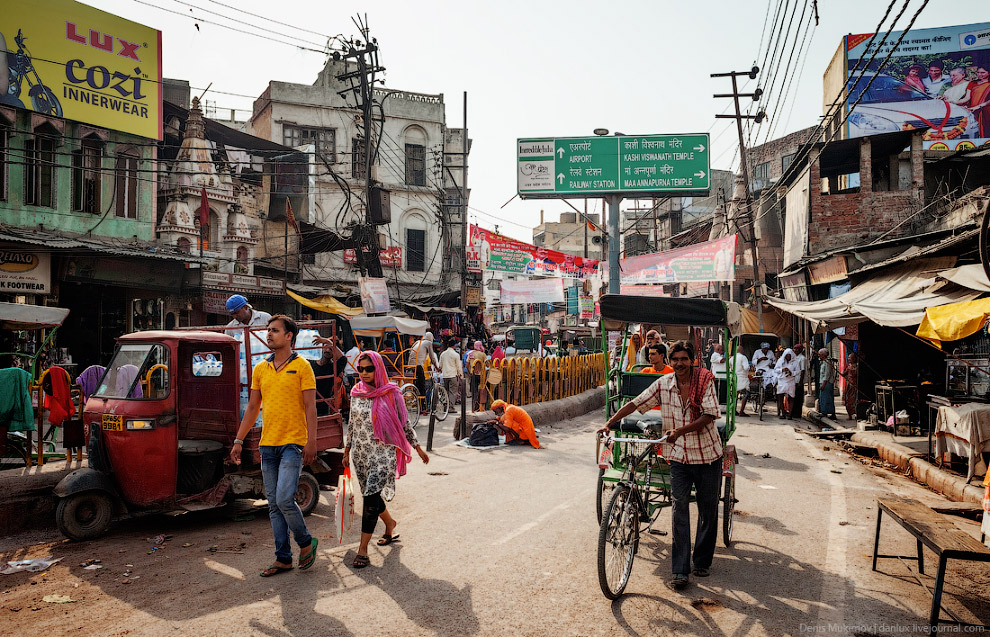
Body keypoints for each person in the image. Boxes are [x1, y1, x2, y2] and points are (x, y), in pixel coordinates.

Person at [598, 341, 722, 591]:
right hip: (677, 456)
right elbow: (636, 403)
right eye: (675, 359)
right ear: (670, 360)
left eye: (684, 359)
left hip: (707, 454)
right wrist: (610, 423)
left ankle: (701, 560)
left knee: (708, 509)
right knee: (679, 510)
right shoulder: (664, 384)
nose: (679, 363)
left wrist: (680, 431)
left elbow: (709, 415)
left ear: (692, 360)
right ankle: (679, 570)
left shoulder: (705, 379)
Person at [230, 315, 319, 577]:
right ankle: (282, 558)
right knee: (273, 505)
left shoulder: (302, 367)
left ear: (289, 336)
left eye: (275, 331)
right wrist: (238, 440)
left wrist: (311, 441)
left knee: (283, 499)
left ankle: (305, 542)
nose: (269, 335)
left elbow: (310, 407)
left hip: (292, 444)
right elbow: (253, 408)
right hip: (267, 445)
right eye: (268, 331)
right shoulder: (261, 369)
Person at [345, 350, 429, 568]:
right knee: (371, 496)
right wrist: (346, 450)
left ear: (378, 369)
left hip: (383, 454)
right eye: (360, 369)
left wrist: (417, 448)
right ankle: (390, 523)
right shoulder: (355, 392)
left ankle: (362, 550)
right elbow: (352, 425)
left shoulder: (392, 393)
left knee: (370, 498)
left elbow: (404, 423)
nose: (363, 373)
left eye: (369, 369)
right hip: (361, 455)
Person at [774, 349, 798, 421]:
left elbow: (798, 371)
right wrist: (782, 370)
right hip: (782, 381)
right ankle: (783, 413)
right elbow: (775, 370)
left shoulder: (795, 362)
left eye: (789, 356)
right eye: (787, 356)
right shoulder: (780, 361)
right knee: (780, 397)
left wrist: (791, 373)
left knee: (791, 398)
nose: (788, 357)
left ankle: (790, 414)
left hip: (790, 381)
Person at [968, 66, 990, 137]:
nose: (980, 74)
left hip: (986, 111)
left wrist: (978, 106)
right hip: (973, 110)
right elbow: (967, 98)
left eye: (983, 72)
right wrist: (953, 101)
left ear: (988, 73)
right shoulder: (972, 83)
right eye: (978, 72)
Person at [731, 349, 753, 416]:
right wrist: (750, 367)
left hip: (734, 378)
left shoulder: (732, 358)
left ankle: (734, 410)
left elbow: (730, 367)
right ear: (742, 351)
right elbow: (746, 368)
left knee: (735, 395)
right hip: (742, 378)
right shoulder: (743, 357)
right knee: (746, 393)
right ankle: (741, 411)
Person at [818, 348, 838, 419]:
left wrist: (823, 384)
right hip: (823, 382)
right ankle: (824, 412)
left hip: (827, 383)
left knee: (827, 398)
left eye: (820, 354)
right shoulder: (823, 362)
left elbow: (827, 374)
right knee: (823, 398)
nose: (819, 356)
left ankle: (829, 412)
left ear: (823, 355)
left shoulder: (827, 362)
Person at [467, 341, 487, 411]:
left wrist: (470, 373)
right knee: (482, 390)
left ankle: (474, 406)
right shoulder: (483, 354)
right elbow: (487, 365)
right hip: (481, 375)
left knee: (474, 392)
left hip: (473, 375)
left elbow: (467, 365)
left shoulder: (470, 354)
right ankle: (481, 406)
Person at [842, 351, 859, 421]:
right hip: (848, 385)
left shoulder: (857, 366)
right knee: (847, 400)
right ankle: (849, 415)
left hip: (854, 385)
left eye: (850, 358)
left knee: (854, 400)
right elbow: (843, 374)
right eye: (848, 357)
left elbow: (856, 374)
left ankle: (856, 414)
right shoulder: (848, 365)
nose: (849, 359)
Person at [791, 344, 807, 419]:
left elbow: (802, 370)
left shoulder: (802, 358)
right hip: (793, 380)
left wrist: (801, 381)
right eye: (794, 349)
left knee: (798, 398)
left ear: (800, 350)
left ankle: (797, 413)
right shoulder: (794, 357)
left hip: (798, 380)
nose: (795, 350)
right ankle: (793, 412)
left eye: (797, 349)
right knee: (793, 396)